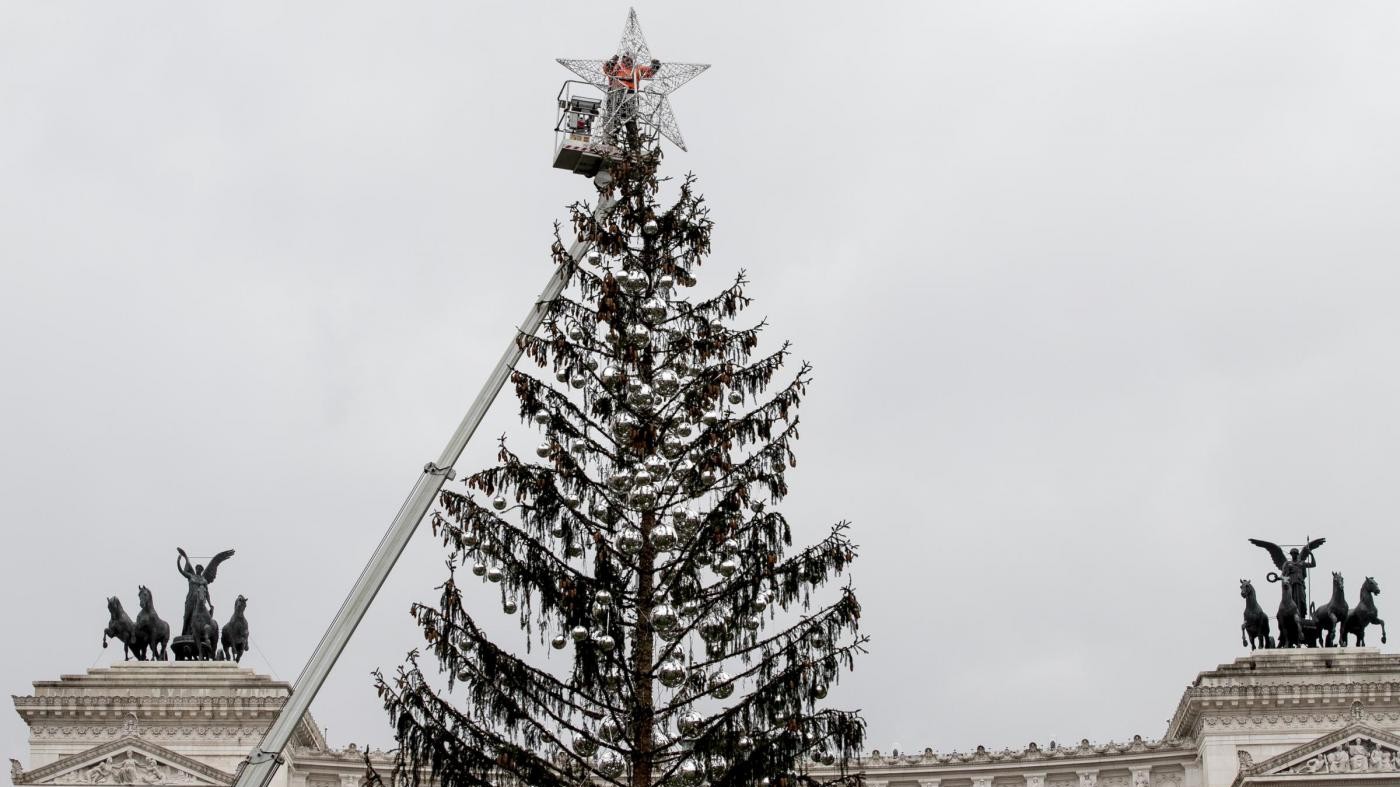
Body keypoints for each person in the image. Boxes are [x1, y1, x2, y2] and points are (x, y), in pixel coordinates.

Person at [600, 53, 661, 140]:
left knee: (630, 122)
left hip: (630, 97)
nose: (628, 62)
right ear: (622, 59)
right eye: (626, 59)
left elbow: (649, 72)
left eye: (630, 60)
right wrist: (612, 61)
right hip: (614, 97)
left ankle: (633, 144)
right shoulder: (616, 67)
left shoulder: (637, 69)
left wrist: (655, 66)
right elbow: (606, 69)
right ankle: (611, 140)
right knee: (614, 121)